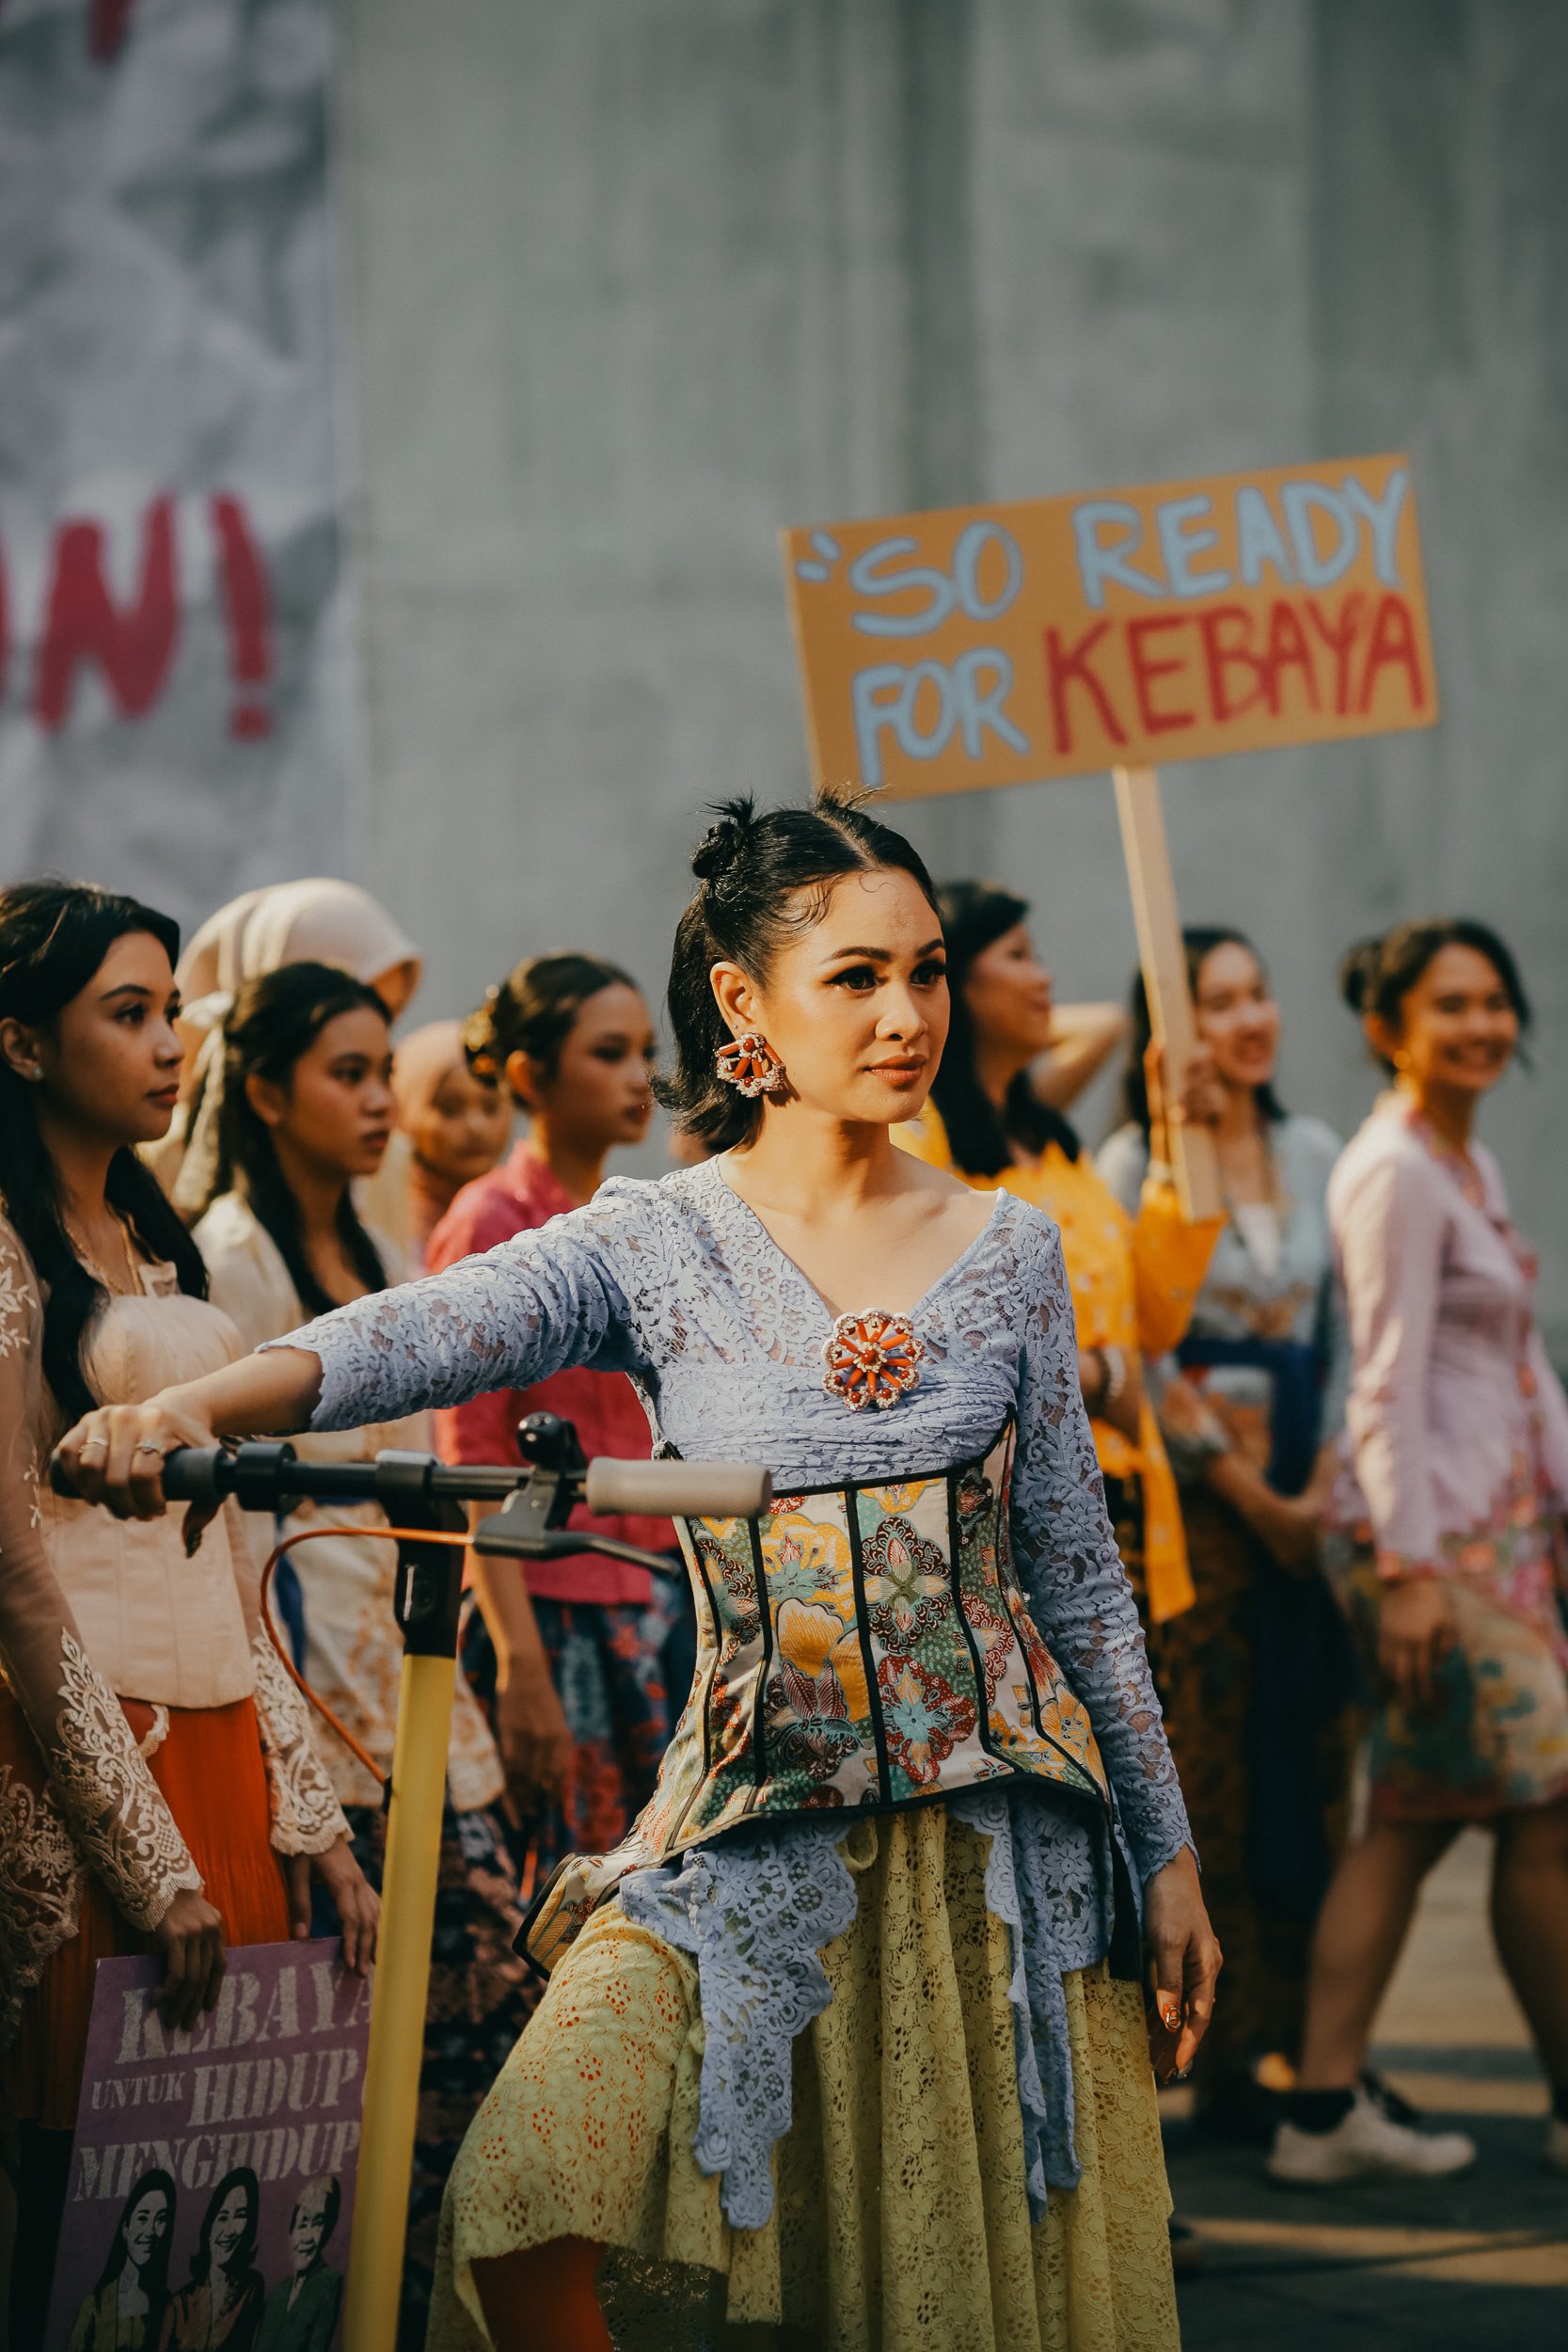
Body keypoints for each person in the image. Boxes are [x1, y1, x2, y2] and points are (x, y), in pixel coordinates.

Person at [58, 795, 1220, 2352]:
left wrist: (1164, 1851)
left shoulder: (1008, 1249)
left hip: (992, 1857)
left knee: (933, 2304)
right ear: (743, 1005)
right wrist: (193, 1408)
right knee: (520, 2195)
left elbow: (1075, 1579)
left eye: (926, 971)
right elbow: (418, 1330)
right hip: (742, 1827)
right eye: (856, 977)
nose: (906, 1015)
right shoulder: (654, 1240)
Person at [0, 885, 373, 2348]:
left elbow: (220, 1567)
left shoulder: (153, 1247)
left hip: (224, 1748)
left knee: (216, 2199)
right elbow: (15, 1576)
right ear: (21, 1043)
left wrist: (313, 1818)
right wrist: (144, 1858)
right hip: (82, 1754)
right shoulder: (4, 1247)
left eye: (174, 1012)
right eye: (129, 1014)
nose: (172, 1045)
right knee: (78, 2210)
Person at [187, 964, 531, 2345]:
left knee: (486, 2006)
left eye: (386, 1069)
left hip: (414, 1662)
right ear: (267, 1091)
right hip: (307, 1668)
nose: (381, 1099)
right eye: (348, 1073)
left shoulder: (383, 1250)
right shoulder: (230, 1254)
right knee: (356, 2041)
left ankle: (435, 2307)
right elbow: (228, 1527)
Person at [1270, 919, 1568, 2185]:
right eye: (1448, 1004)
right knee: (1541, 1805)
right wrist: (1404, 1574)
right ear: (1385, 1027)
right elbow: (1381, 1381)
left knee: (1411, 1814)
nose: (1480, 1024)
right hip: (1423, 1546)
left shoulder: (1465, 1160)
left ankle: (1320, 2110)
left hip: (1492, 1537)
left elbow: (1513, 1359)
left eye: (1492, 1000)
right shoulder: (1389, 1169)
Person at [1100, 928, 1359, 2138]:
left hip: (1310, 1491)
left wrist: (1324, 1482)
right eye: (1215, 1001)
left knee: (1309, 1757)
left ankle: (1294, 2041)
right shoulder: (1132, 1162)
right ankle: (1193, 2054)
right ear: (1168, 1026)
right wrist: (1245, 1490)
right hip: (1193, 1511)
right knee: (1202, 1772)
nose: (1248, 1019)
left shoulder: (1315, 1152)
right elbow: (1136, 1347)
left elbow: (1343, 1331)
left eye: (1257, 994)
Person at [897, 881, 1224, 1634]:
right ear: (951, 981)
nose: (1044, 978)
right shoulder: (923, 1140)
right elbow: (930, 1331)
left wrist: (1177, 1144)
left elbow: (1154, 1321)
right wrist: (1099, 1377)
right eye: (1018, 957)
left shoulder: (1052, 1149)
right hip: (1017, 1506)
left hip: (1121, 1493)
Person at [426, 956, 680, 1887]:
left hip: (646, 1592)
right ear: (530, 1076)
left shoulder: (627, 1218)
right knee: (566, 1878)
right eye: (608, 1053)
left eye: (644, 1050)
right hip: (545, 1609)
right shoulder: (491, 1219)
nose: (637, 1075)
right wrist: (520, 1662)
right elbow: (471, 1447)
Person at [154, 877, 423, 1220]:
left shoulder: (390, 1155)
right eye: (349, 1073)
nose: (369, 1025)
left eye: (388, 1011)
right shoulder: (164, 1151)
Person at [389, 1020, 512, 1263]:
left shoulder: (526, 1213)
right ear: (404, 1112)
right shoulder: (389, 1230)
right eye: (450, 1109)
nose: (476, 1127)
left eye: (490, 1107)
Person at [66, 2167, 176, 2352]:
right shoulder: (94, 2306)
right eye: (143, 2218)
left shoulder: (167, 2306)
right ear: (125, 2228)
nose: (150, 2231)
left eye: (161, 2219)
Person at [164, 2168, 264, 2351]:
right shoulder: (178, 2305)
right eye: (223, 2217)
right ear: (209, 2227)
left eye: (240, 2216)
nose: (229, 2230)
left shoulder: (251, 2289)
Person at [254, 2176, 343, 2352]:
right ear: (292, 2232)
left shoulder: (329, 2281)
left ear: (328, 2230)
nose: (307, 2237)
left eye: (317, 2224)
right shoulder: (278, 2293)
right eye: (302, 2225)